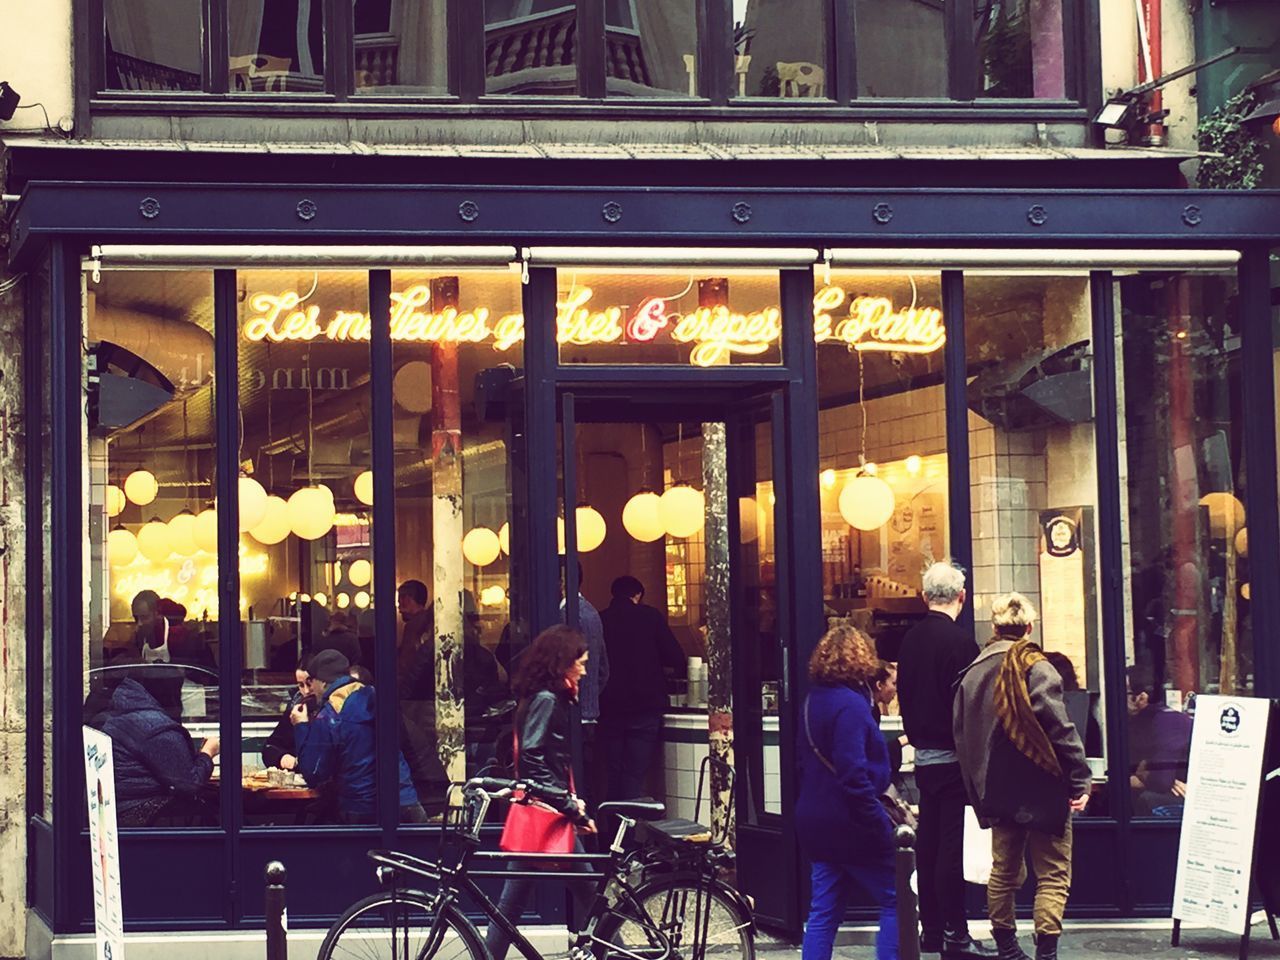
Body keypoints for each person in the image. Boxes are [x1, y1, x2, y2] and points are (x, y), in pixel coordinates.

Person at [953, 594, 1091, 960]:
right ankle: (1046, 952)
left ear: (995, 628)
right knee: (1053, 873)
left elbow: (962, 737)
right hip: (1044, 781)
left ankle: (1008, 948)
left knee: (1003, 870)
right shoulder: (1038, 666)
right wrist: (1080, 778)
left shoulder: (974, 672)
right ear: (1029, 628)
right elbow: (1061, 729)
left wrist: (977, 788)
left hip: (997, 785)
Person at [896, 561, 992, 959]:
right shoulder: (961, 644)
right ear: (962, 597)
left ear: (923, 597)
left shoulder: (910, 641)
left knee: (930, 844)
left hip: (922, 757)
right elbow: (970, 709)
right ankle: (955, 931)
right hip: (953, 758)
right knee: (951, 847)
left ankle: (931, 928)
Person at [486, 625, 599, 960]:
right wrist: (569, 805)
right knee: (591, 895)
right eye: (579, 661)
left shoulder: (540, 697)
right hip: (547, 813)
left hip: (538, 811)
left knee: (511, 904)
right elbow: (534, 758)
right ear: (562, 661)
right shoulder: (548, 700)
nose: (584, 668)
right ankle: (615, 951)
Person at [797, 624, 898, 960]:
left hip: (816, 819)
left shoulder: (814, 701)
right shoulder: (852, 706)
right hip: (851, 821)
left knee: (823, 913)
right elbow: (853, 774)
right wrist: (879, 825)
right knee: (898, 898)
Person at [290, 649, 427, 824]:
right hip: (406, 801)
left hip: (362, 809)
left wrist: (301, 726)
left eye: (311, 682)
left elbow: (313, 773)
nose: (311, 689)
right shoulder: (375, 696)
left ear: (320, 681)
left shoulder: (331, 714)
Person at [598, 575, 686, 800]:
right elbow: (675, 657)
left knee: (612, 771)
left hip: (609, 707)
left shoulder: (601, 620)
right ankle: (628, 829)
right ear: (637, 595)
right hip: (645, 707)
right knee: (634, 774)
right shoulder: (650, 616)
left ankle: (612, 829)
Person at [100, 675, 219, 826]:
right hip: (141, 813)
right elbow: (188, 784)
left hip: (123, 807)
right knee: (217, 812)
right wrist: (208, 753)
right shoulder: (156, 727)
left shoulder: (129, 713)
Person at [1126, 663, 1192, 816]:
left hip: (1188, 799)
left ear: (1142, 698)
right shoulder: (1135, 722)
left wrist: (1145, 774)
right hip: (1172, 791)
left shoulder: (1167, 722)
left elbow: (1161, 780)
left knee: (1144, 800)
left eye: (1125, 694)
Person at [560, 563, 609, 724]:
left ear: (561, 580)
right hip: (586, 713)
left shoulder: (571, 615)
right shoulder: (590, 612)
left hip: (572, 716)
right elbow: (603, 670)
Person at [262, 658, 311, 770]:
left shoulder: (330, 713)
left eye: (309, 684)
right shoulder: (295, 709)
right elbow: (270, 748)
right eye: (301, 685)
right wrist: (282, 758)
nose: (306, 691)